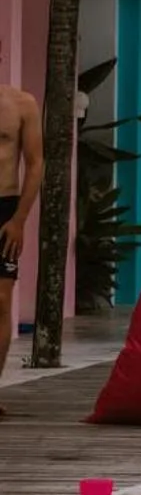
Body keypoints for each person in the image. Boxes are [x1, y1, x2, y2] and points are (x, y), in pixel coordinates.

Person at [0, 84, 43, 419]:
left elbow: (35, 162)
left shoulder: (22, 104)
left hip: (4, 210)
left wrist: (20, 219)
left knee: (1, 300)